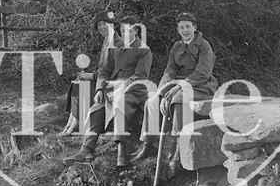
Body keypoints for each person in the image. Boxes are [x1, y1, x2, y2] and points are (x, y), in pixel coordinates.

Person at [132, 12, 217, 175]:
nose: (185, 30)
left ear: (195, 27)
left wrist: (177, 88)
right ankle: (148, 144)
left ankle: (178, 151)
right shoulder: (177, 47)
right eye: (182, 27)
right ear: (178, 30)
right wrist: (162, 90)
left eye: (188, 26)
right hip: (177, 84)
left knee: (178, 99)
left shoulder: (204, 46)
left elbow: (203, 73)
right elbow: (169, 71)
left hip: (200, 85)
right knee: (152, 100)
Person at [63, 16, 152, 167]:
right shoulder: (115, 47)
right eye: (123, 31)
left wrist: (120, 85)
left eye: (130, 30)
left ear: (136, 30)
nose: (126, 34)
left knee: (120, 104)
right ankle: (86, 150)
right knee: (96, 108)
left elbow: (141, 75)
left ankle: (121, 149)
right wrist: (99, 89)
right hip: (111, 88)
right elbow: (105, 70)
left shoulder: (144, 50)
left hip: (134, 89)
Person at [60, 11, 122, 136]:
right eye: (99, 25)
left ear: (113, 25)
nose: (102, 27)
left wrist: (92, 76)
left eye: (105, 24)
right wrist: (91, 75)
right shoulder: (106, 41)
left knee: (83, 84)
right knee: (77, 83)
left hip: (113, 82)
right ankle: (71, 122)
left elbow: (114, 70)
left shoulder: (117, 43)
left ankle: (74, 124)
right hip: (103, 79)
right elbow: (104, 68)